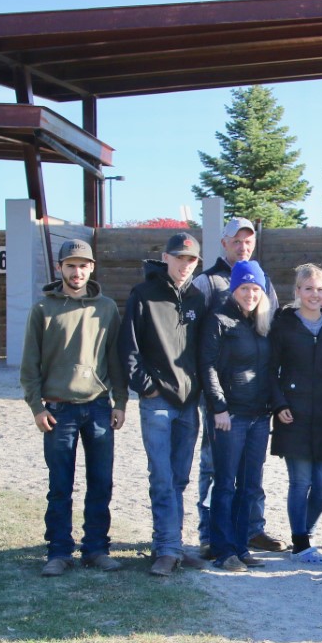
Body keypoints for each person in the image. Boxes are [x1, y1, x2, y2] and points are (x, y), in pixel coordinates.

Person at [20, 238, 128, 577]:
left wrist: (120, 401)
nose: (77, 271)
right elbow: (30, 365)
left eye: (83, 265)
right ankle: (59, 551)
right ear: (60, 268)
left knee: (101, 482)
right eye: (71, 265)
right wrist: (37, 407)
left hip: (98, 407)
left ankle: (96, 548)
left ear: (92, 268)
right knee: (60, 485)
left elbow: (116, 359)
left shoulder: (107, 308)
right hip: (58, 411)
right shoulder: (43, 309)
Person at [120, 232, 211, 577]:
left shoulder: (197, 298)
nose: (185, 265)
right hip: (157, 402)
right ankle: (166, 548)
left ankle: (172, 545)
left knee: (179, 479)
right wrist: (147, 388)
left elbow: (203, 350)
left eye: (191, 260)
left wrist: (199, 389)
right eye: (179, 258)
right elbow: (128, 348)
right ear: (165, 257)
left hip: (188, 403)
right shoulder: (143, 295)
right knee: (161, 476)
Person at [192, 217, 283, 557]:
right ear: (224, 242)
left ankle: (250, 532)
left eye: (248, 241)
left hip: (256, 403)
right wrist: (216, 402)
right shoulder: (207, 282)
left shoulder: (262, 280)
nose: (243, 246)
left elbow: (269, 327)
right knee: (215, 468)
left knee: (250, 476)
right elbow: (202, 346)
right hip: (222, 399)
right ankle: (210, 534)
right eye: (236, 241)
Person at [269, 264, 322, 564]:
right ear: (297, 291)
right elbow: (270, 369)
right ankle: (300, 543)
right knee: (300, 482)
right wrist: (279, 404)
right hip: (294, 414)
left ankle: (305, 531)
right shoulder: (283, 324)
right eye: (308, 288)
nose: (314, 294)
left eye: (319, 289)